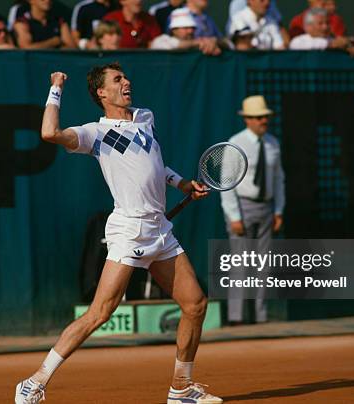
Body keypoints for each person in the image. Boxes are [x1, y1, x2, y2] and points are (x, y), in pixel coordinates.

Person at [14, 62, 222, 404]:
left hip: (160, 229)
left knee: (196, 304)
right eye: (117, 79)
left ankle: (181, 389)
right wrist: (56, 88)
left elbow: (155, 163)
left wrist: (181, 182)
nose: (127, 81)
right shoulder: (95, 133)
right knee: (100, 313)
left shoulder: (145, 117)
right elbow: (49, 133)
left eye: (125, 76)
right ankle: (33, 382)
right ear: (101, 92)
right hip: (129, 230)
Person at [221, 96, 284, 325]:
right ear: (247, 120)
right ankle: (236, 318)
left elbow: (278, 179)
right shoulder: (235, 143)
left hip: (266, 208)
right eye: (258, 117)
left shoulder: (273, 143)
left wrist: (278, 210)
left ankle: (260, 316)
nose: (263, 121)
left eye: (265, 117)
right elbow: (227, 182)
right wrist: (234, 216)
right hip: (243, 207)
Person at [289, 7, 354, 57]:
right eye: (320, 23)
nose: (325, 27)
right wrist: (333, 45)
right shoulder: (298, 41)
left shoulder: (332, 39)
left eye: (327, 23)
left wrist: (350, 44)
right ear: (308, 26)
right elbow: (314, 45)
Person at [150, 6, 219, 54]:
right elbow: (171, 45)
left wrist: (214, 41)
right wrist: (199, 42)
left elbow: (227, 43)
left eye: (192, 28)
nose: (190, 31)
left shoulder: (200, 42)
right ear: (174, 30)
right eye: (185, 28)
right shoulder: (161, 40)